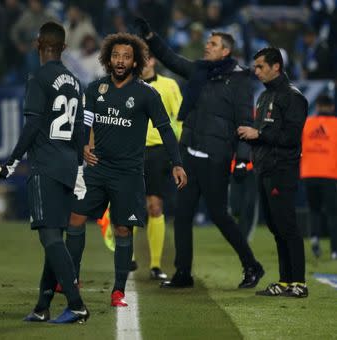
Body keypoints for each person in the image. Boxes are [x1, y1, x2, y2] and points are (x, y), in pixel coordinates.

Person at [134, 18, 264, 289]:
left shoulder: (240, 80)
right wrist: (150, 36)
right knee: (182, 215)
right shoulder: (199, 71)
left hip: (215, 158)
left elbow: (245, 121)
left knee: (220, 216)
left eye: (213, 44)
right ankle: (183, 273)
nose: (207, 46)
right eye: (208, 42)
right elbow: (170, 59)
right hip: (190, 155)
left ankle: (252, 265)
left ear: (225, 50)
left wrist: (242, 158)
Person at [65, 32, 187, 307]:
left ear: (135, 62)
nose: (120, 61)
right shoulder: (95, 89)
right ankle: (71, 276)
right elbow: (83, 124)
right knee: (74, 217)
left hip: (129, 174)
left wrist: (177, 162)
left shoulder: (147, 94)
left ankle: (118, 290)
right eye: (116, 56)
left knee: (122, 229)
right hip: (97, 167)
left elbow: (166, 129)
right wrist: (83, 144)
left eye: (126, 57)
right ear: (108, 58)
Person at [0, 22, 89, 323]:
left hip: (45, 165)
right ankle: (42, 306)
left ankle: (76, 304)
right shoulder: (75, 81)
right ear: (63, 47)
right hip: (67, 164)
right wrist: (80, 169)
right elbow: (78, 131)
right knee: (55, 236)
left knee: (49, 237)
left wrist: (11, 161)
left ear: (37, 45)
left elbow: (33, 124)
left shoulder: (38, 79)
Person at [238, 47, 309, 298]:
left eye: (260, 66)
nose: (256, 71)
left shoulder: (293, 97)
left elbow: (291, 137)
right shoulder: (264, 96)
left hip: (282, 169)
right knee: (276, 227)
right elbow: (263, 133)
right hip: (265, 169)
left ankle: (299, 283)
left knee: (287, 226)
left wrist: (258, 134)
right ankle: (285, 281)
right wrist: (250, 137)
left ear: (276, 66)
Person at [134, 52, 183, 279]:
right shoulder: (128, 85)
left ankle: (155, 265)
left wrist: (178, 156)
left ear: (153, 61)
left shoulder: (169, 85)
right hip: (131, 151)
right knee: (131, 206)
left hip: (158, 152)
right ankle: (128, 260)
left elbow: (180, 118)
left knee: (155, 206)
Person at [300, 94, 337, 260]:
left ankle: (314, 238)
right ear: (331, 107)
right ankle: (334, 250)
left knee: (313, 209)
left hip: (309, 173)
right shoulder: (335, 125)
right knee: (333, 213)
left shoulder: (307, 124)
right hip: (330, 174)